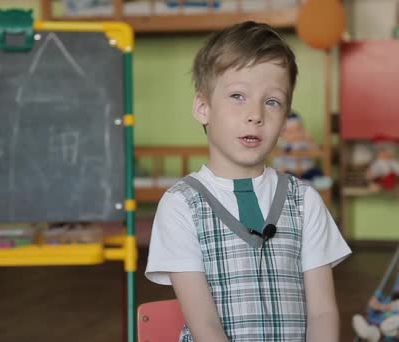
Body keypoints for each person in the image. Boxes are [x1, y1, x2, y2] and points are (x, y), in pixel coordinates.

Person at [145, 21, 351, 341]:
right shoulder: (181, 205)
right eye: (238, 96)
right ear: (203, 108)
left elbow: (322, 311)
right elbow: (205, 325)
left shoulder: (304, 200)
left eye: (272, 102)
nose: (255, 114)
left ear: (284, 120)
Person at [365, 134, 399, 201]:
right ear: (377, 152)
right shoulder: (377, 163)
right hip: (381, 179)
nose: (385, 154)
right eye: (382, 151)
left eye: (387, 152)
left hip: (393, 179)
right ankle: (375, 186)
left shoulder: (393, 162)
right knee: (375, 181)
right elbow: (373, 172)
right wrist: (370, 174)